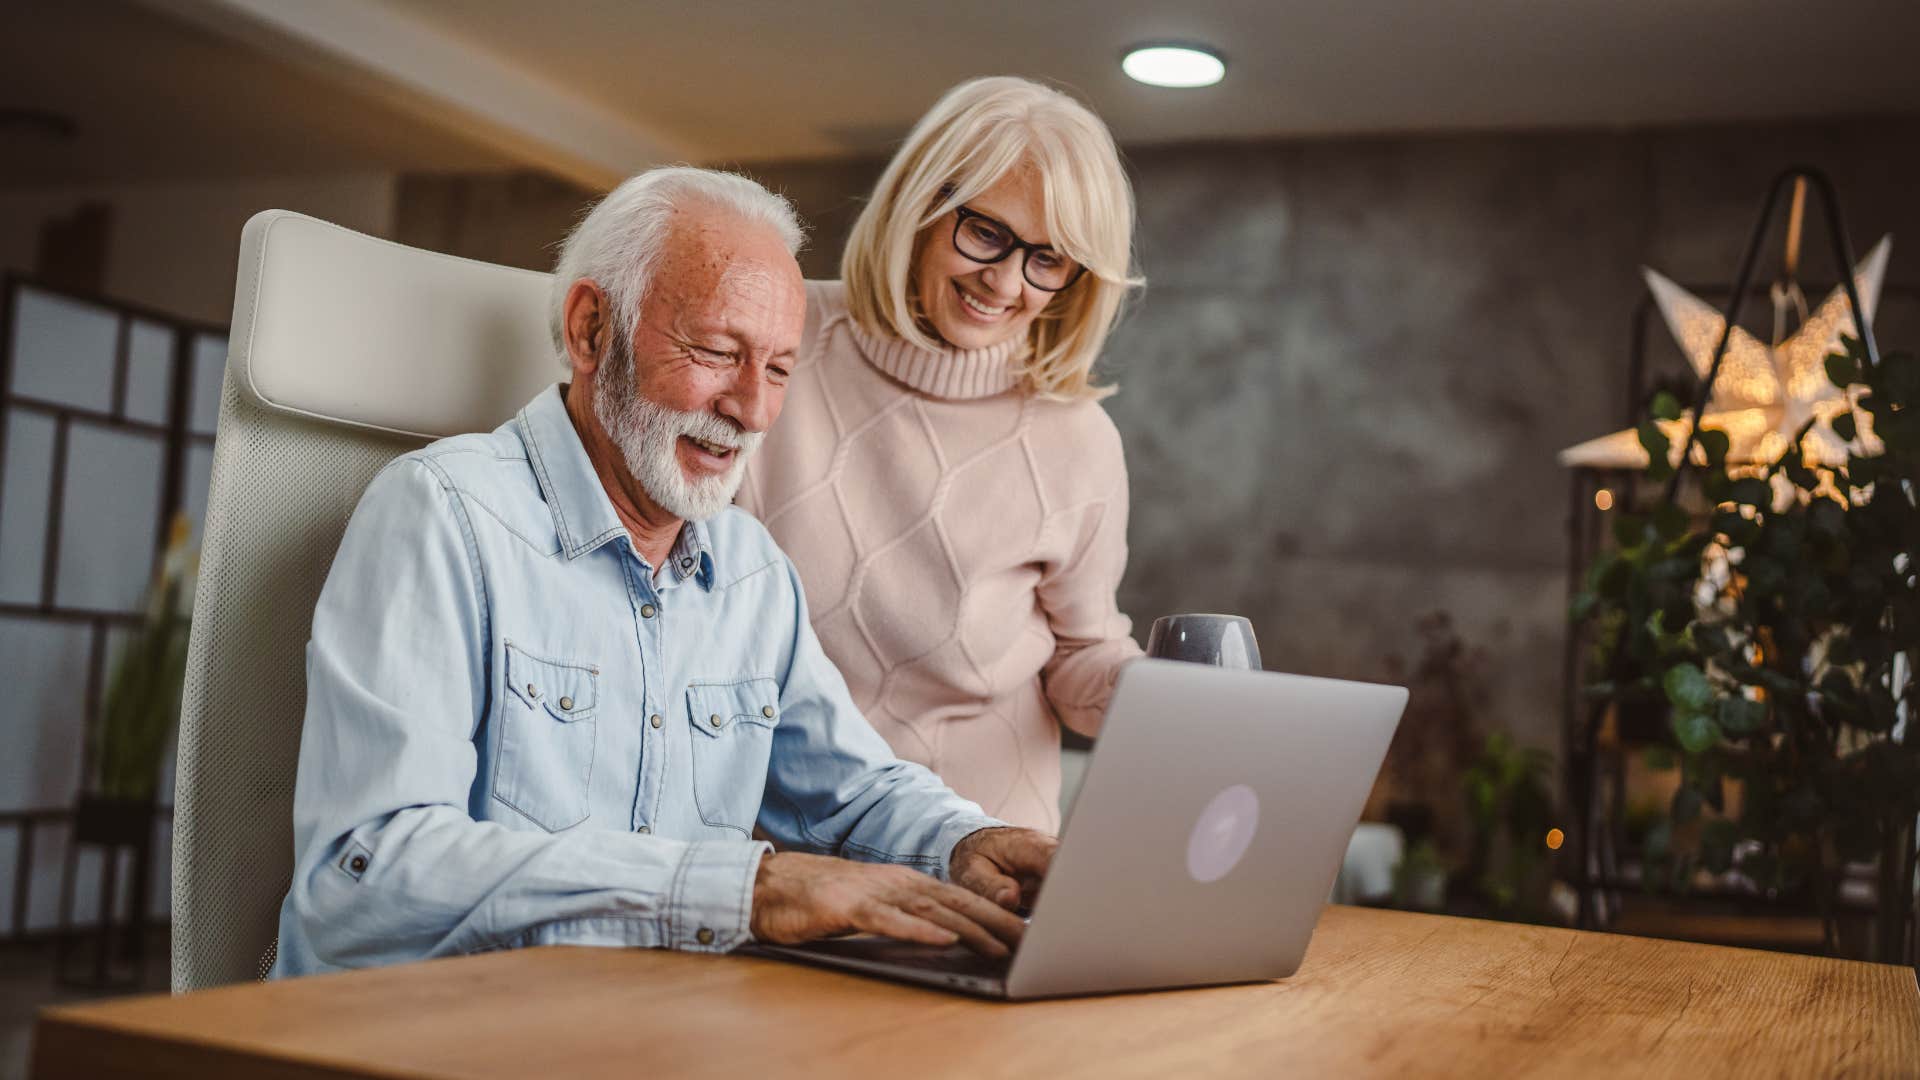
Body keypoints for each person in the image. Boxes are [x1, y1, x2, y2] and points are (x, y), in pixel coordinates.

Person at [270, 166, 1056, 978]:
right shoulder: (440, 514)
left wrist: (969, 843)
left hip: (656, 1030)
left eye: (779, 369)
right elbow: (367, 872)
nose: (751, 409)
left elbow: (849, 794)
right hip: (434, 1034)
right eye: (718, 352)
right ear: (590, 331)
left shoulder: (750, 570)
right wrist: (738, 890)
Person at [738, 77, 1146, 832]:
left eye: (1048, 259)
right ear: (919, 207)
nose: (1005, 281)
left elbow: (1081, 658)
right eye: (987, 234)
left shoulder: (1078, 437)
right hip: (773, 842)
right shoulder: (783, 337)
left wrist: (1153, 691)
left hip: (983, 852)